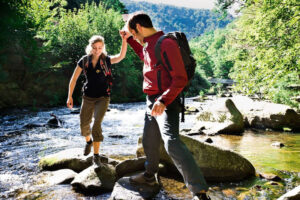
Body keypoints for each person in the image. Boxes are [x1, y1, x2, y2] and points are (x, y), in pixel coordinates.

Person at [122, 12, 211, 200]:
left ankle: (200, 192)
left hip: (166, 101)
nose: (134, 36)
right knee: (149, 140)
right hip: (151, 100)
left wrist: (163, 100)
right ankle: (149, 177)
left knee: (171, 142)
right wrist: (129, 41)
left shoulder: (166, 43)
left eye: (133, 33)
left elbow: (180, 79)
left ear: (138, 27)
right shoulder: (148, 45)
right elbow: (144, 55)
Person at [67, 33, 127, 166]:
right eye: (95, 47)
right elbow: (74, 79)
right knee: (84, 126)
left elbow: (121, 56)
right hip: (88, 97)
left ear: (103, 47)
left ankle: (96, 156)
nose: (97, 50)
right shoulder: (84, 60)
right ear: (90, 47)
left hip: (103, 97)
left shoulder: (106, 60)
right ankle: (88, 142)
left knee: (97, 125)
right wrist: (69, 96)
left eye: (100, 47)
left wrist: (124, 40)